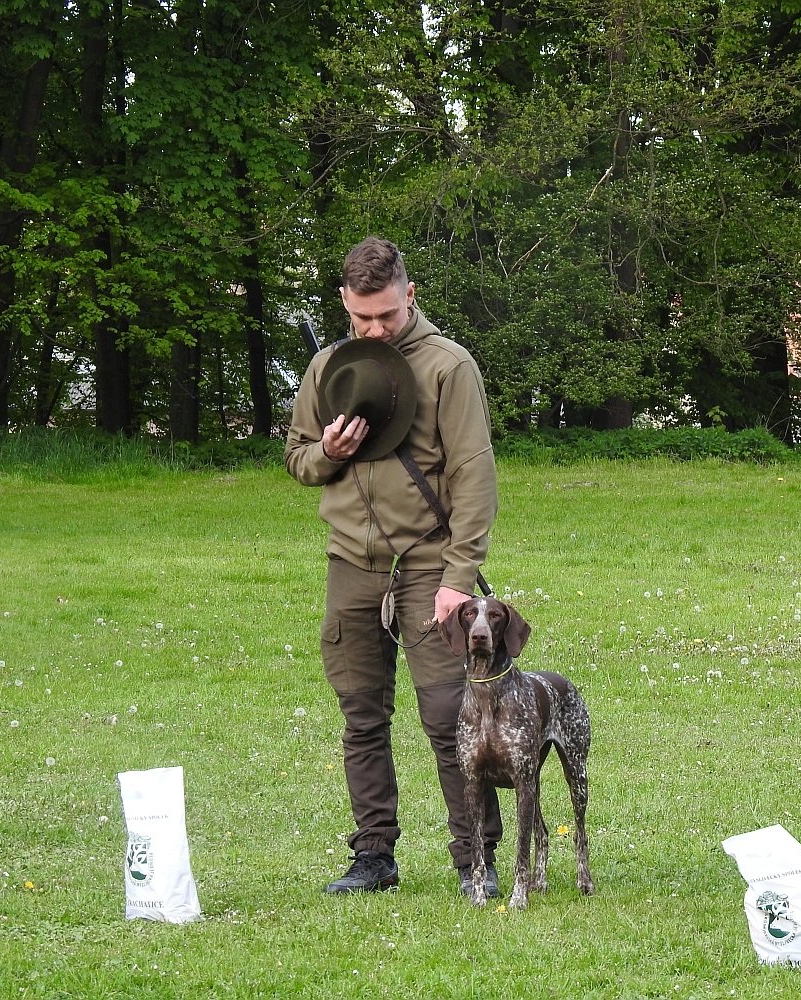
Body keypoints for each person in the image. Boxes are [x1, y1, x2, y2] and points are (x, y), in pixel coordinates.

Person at [285, 236, 502, 896]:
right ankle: (373, 856)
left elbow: (474, 478)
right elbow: (298, 459)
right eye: (362, 318)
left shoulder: (448, 366)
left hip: (430, 562)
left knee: (449, 714)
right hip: (351, 563)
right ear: (344, 304)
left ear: (409, 294)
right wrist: (327, 451)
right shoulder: (329, 366)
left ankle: (476, 858)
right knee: (361, 715)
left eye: (386, 315)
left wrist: (457, 579)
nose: (375, 329)